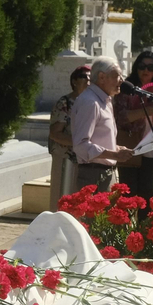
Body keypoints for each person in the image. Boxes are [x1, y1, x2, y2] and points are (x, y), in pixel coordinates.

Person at [113, 51, 153, 202]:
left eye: (151, 67)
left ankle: (145, 226)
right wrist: (146, 111)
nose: (146, 71)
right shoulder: (126, 89)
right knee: (128, 196)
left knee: (148, 196)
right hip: (130, 148)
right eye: (142, 66)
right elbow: (120, 117)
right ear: (136, 67)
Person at [71, 57, 135, 192]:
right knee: (94, 214)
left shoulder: (104, 100)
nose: (122, 81)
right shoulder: (90, 102)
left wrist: (116, 148)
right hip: (93, 175)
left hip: (104, 172)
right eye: (117, 76)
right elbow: (80, 145)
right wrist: (114, 155)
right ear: (101, 77)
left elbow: (99, 138)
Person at [47, 66, 90, 210]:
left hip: (86, 159)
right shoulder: (65, 102)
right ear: (74, 81)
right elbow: (55, 133)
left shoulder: (91, 103)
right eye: (84, 76)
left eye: (91, 77)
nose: (88, 80)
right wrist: (79, 143)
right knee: (62, 200)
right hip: (66, 158)